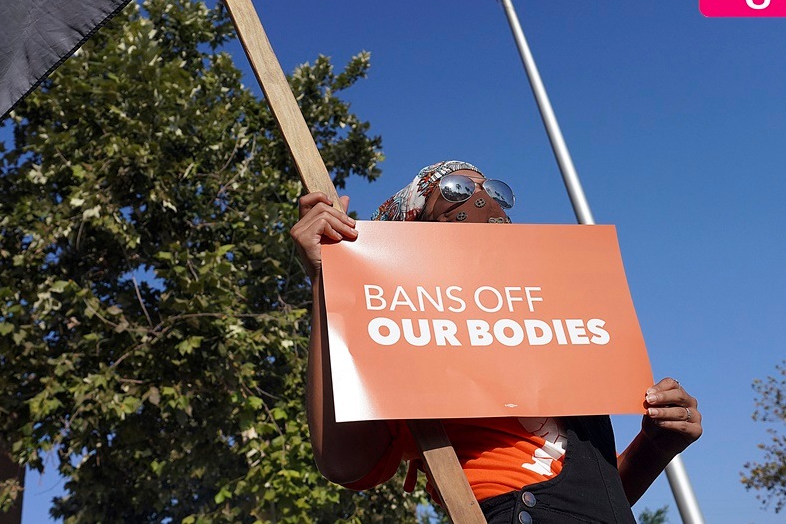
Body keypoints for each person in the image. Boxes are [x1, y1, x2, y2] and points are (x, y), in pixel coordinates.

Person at [292, 160, 702, 523]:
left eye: (492, 190)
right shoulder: (406, 344)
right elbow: (345, 462)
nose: (482, 200)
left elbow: (595, 504)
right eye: (456, 189)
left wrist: (655, 447)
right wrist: (329, 277)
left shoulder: (561, 337)